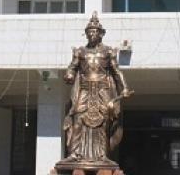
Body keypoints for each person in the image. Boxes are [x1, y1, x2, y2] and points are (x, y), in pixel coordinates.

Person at [57, 12, 133, 170]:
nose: (92, 34)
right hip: (84, 89)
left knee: (104, 120)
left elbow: (117, 71)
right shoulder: (81, 52)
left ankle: (102, 154)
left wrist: (124, 87)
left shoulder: (108, 52)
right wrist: (69, 75)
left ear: (101, 34)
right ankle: (75, 153)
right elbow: (72, 67)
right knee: (78, 117)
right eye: (89, 32)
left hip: (102, 90)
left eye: (95, 32)